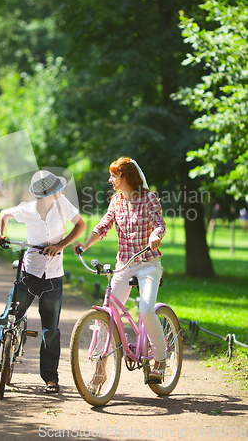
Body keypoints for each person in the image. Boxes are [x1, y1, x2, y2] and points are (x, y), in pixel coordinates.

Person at [0, 170, 86, 393]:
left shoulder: (63, 204)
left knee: (51, 329)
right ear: (44, 194)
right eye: (55, 190)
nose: (59, 192)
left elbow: (81, 226)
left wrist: (61, 245)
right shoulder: (27, 209)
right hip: (30, 271)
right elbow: (4, 214)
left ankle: (50, 377)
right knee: (9, 316)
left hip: (54, 275)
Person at [74, 156, 167, 387]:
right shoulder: (116, 201)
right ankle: (100, 370)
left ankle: (161, 360)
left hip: (148, 264)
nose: (110, 180)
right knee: (108, 316)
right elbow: (103, 226)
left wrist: (156, 235)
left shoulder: (149, 199)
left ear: (127, 177)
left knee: (146, 310)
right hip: (124, 264)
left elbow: (159, 224)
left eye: (114, 175)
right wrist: (84, 245)